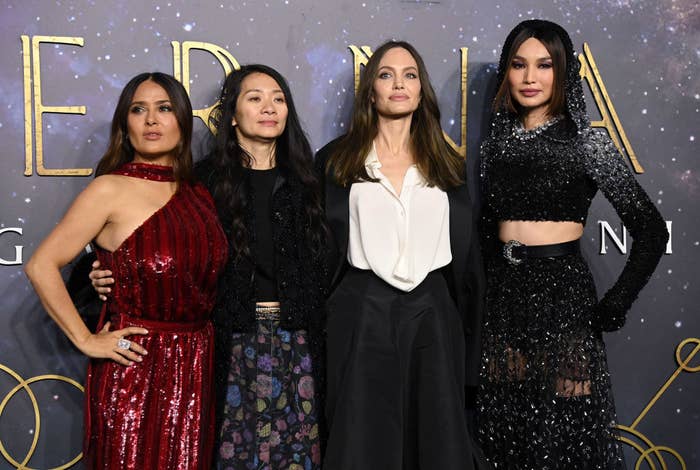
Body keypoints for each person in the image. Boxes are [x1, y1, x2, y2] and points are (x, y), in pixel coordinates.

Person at [92, 65, 330, 469]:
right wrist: (100, 275)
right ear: (232, 114)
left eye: (278, 98)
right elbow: (147, 245)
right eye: (254, 98)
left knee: (298, 457)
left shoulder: (310, 180)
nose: (268, 107)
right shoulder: (199, 183)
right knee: (227, 456)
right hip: (227, 344)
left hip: (298, 344)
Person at [476, 19, 669, 469]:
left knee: (568, 427)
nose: (529, 77)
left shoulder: (588, 143)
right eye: (519, 65)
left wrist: (616, 301)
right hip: (506, 298)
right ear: (506, 72)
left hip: (564, 299)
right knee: (511, 430)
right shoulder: (493, 148)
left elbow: (651, 229)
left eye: (544, 65)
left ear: (563, 73)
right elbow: (487, 232)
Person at [25, 72, 228, 468]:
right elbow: (41, 265)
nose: (152, 120)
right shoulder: (110, 188)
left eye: (164, 108)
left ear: (183, 120)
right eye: (139, 110)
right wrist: (87, 340)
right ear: (126, 124)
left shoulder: (199, 191)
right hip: (133, 372)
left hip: (195, 367)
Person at [316, 40, 487, 470]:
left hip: (432, 313)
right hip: (361, 312)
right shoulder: (335, 162)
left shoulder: (447, 164)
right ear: (370, 90)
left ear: (421, 90)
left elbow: (467, 261)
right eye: (386, 74)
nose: (399, 84)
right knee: (361, 440)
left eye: (409, 74)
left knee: (438, 439)